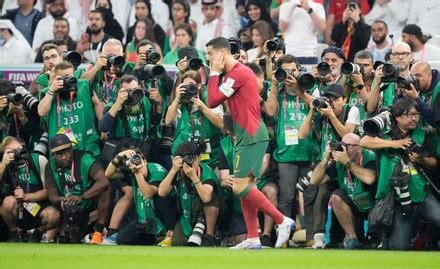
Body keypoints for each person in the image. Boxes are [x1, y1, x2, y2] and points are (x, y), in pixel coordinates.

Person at [206, 37, 294, 249]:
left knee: (239, 187)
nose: (208, 58)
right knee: (246, 187)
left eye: (210, 54)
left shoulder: (237, 73)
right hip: (245, 136)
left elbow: (212, 100)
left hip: (252, 136)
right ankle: (253, 237)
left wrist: (213, 72)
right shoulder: (235, 74)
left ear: (220, 54)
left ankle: (282, 221)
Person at [360, 97, 440, 250]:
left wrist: (421, 159)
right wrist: (395, 144)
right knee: (400, 247)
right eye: (409, 115)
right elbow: (364, 141)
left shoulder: (422, 134)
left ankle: (426, 238)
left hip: (420, 192)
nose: (414, 118)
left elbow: (433, 163)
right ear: (397, 117)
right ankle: (387, 240)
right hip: (395, 198)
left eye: (416, 114)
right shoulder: (386, 133)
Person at [265, 54, 318, 245]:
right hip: (286, 154)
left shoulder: (310, 87)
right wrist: (273, 84)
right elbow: (270, 112)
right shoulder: (278, 92)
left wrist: (299, 90)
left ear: (299, 70)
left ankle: (312, 237)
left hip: (309, 151)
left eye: (293, 70)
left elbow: (317, 107)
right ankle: (284, 237)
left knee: (311, 195)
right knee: (286, 197)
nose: (290, 74)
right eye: (286, 71)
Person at [310, 133, 377, 249]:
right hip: (356, 203)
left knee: (395, 245)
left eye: (349, 146)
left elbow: (369, 179)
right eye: (343, 145)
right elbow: (314, 181)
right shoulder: (339, 162)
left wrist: (347, 162)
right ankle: (352, 239)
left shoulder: (370, 158)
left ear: (359, 148)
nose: (345, 149)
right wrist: (326, 158)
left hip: (376, 206)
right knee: (336, 196)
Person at [45, 134, 112, 244]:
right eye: (59, 155)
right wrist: (62, 199)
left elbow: (104, 181)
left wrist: (82, 197)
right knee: (68, 238)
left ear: (71, 149)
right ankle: (71, 230)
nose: (64, 157)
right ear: (53, 155)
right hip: (68, 206)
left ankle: (98, 233)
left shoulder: (84, 159)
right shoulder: (50, 166)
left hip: (89, 202)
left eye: (67, 152)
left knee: (107, 189)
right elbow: (52, 196)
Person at [104, 148, 177, 246]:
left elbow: (148, 193)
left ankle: (170, 234)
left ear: (145, 161)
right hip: (145, 221)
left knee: (163, 198)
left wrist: (137, 173)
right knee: (121, 239)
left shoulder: (156, 170)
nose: (137, 164)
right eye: (133, 162)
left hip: (164, 216)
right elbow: (108, 174)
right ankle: (154, 239)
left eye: (139, 160)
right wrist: (118, 157)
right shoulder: (131, 171)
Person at [158, 141, 221, 246]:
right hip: (188, 215)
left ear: (199, 157)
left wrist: (193, 177)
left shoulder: (206, 172)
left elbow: (206, 198)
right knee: (177, 242)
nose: (190, 162)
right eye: (186, 159)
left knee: (211, 198)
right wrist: (173, 170)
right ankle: (195, 230)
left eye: (192, 158)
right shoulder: (177, 171)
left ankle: (210, 235)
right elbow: (161, 192)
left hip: (210, 213)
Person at [37, 61, 103, 158]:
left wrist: (102, 127)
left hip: (87, 143)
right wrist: (51, 90)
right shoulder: (48, 92)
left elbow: (97, 104)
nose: (68, 79)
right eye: (64, 77)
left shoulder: (84, 86)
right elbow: (41, 112)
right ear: (56, 78)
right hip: (62, 148)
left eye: (71, 76)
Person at [0, 136, 60, 242]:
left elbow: (49, 191)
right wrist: (3, 165)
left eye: (19, 149)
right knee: (8, 202)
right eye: (13, 152)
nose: (19, 153)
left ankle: (37, 233)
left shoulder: (39, 159)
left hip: (39, 206)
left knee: (54, 215)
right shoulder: (6, 164)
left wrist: (26, 196)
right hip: (18, 208)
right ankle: (14, 232)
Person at [165, 70, 223, 168]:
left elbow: (221, 124)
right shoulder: (179, 102)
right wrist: (176, 99)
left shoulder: (210, 99)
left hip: (212, 155)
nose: (188, 89)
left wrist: (203, 108)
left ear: (199, 86)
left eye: (192, 85)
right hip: (185, 156)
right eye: (185, 86)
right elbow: (168, 121)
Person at [366, 41, 413, 112]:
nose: (400, 57)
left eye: (404, 53)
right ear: (391, 58)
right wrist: (376, 82)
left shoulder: (416, 78)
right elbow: (370, 109)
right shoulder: (383, 82)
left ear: (411, 57)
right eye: (396, 54)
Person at [278, 0, 326, 64]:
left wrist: (309, 9)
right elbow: (282, 28)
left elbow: (322, 27)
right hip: (289, 52)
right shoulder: (285, 6)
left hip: (309, 53)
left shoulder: (318, 6)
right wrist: (291, 7)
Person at [80, 38, 126, 104]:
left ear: (122, 55)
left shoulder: (127, 70)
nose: (112, 60)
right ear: (102, 54)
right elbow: (81, 86)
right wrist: (96, 68)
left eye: (116, 56)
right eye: (109, 56)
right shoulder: (95, 67)